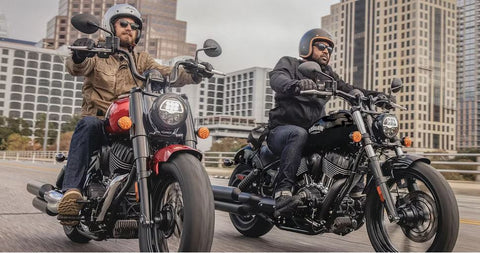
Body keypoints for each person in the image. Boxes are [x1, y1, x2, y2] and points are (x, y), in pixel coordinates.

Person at [57, 4, 211, 225]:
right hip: (103, 121)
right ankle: (71, 193)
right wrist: (80, 54)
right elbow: (76, 67)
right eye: (123, 23)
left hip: (135, 122)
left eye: (134, 26)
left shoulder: (142, 59)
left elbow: (170, 73)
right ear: (112, 27)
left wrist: (194, 73)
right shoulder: (97, 53)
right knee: (88, 125)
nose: (129, 28)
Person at [267, 28, 380, 217]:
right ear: (307, 46)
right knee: (298, 134)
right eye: (321, 46)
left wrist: (376, 96)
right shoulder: (290, 63)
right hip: (281, 131)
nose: (326, 51)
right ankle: (283, 192)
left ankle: (353, 192)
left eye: (330, 49)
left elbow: (348, 88)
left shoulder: (327, 75)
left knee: (350, 135)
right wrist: (295, 84)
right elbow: (277, 79)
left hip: (311, 131)